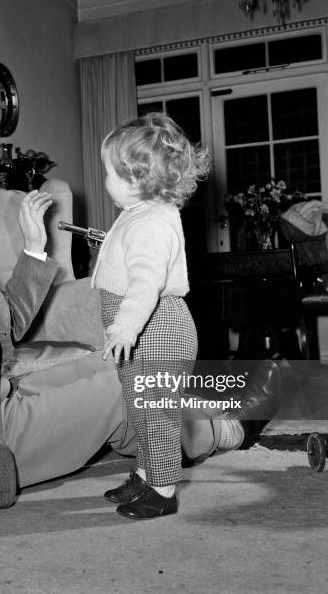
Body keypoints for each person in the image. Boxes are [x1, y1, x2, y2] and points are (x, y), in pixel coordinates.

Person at [0, 112, 281, 521]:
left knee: (113, 363)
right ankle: (225, 431)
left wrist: (33, 249)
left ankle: (165, 451)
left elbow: (7, 331)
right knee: (128, 385)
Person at [92, 112, 217, 519]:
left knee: (157, 412)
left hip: (156, 329)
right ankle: (148, 475)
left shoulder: (151, 223)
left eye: (108, 172)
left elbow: (145, 283)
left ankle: (163, 491)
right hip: (143, 334)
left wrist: (125, 327)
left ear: (134, 178)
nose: (104, 179)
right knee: (141, 409)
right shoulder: (139, 216)